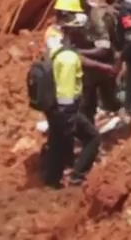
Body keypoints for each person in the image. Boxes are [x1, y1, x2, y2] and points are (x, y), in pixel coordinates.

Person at [41, 14, 104, 189]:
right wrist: (69, 118)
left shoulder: (56, 49)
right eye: (80, 29)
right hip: (66, 108)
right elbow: (67, 92)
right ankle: (77, 176)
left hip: (53, 106)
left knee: (57, 142)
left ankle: (51, 181)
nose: (83, 33)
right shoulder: (68, 58)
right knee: (93, 138)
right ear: (71, 31)